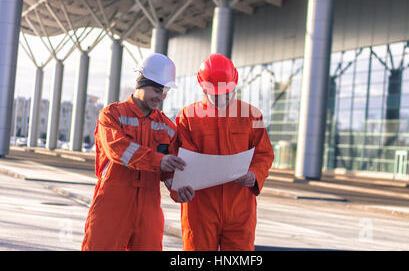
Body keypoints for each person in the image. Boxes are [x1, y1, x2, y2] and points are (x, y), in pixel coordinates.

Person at [81, 53, 189, 251]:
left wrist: (178, 189)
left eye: (165, 91)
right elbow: (117, 149)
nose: (161, 97)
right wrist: (159, 161)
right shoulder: (112, 115)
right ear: (141, 83)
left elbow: (168, 170)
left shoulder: (167, 126)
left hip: (149, 207)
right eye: (157, 90)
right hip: (113, 202)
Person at [169, 53, 274, 251]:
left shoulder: (251, 115)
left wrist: (255, 174)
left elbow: (264, 154)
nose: (223, 98)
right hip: (200, 207)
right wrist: (178, 189)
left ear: (235, 83)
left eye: (227, 92)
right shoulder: (187, 117)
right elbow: (181, 161)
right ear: (203, 87)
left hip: (240, 207)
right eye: (216, 94)